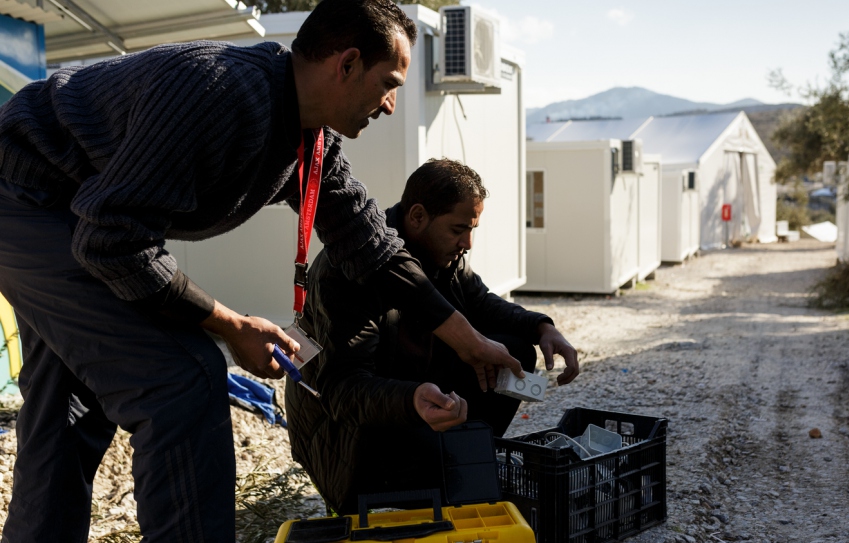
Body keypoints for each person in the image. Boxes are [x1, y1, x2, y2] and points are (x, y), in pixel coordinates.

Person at [0, 1, 523, 541]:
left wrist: (470, 341)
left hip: (74, 212)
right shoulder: (220, 94)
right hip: (27, 195)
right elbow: (111, 240)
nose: (390, 105)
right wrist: (230, 325)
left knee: (71, 400)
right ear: (345, 65)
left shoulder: (310, 139)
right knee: (182, 378)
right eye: (388, 83)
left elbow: (375, 249)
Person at [286, 158, 580, 514]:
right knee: (420, 478)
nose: (467, 243)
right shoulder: (346, 273)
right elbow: (343, 391)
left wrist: (542, 327)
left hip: (412, 388)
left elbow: (479, 302)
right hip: (345, 431)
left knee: (517, 353)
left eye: (471, 230)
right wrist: (412, 399)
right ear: (418, 216)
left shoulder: (442, 252)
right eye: (458, 230)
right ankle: (422, 476)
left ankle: (463, 457)